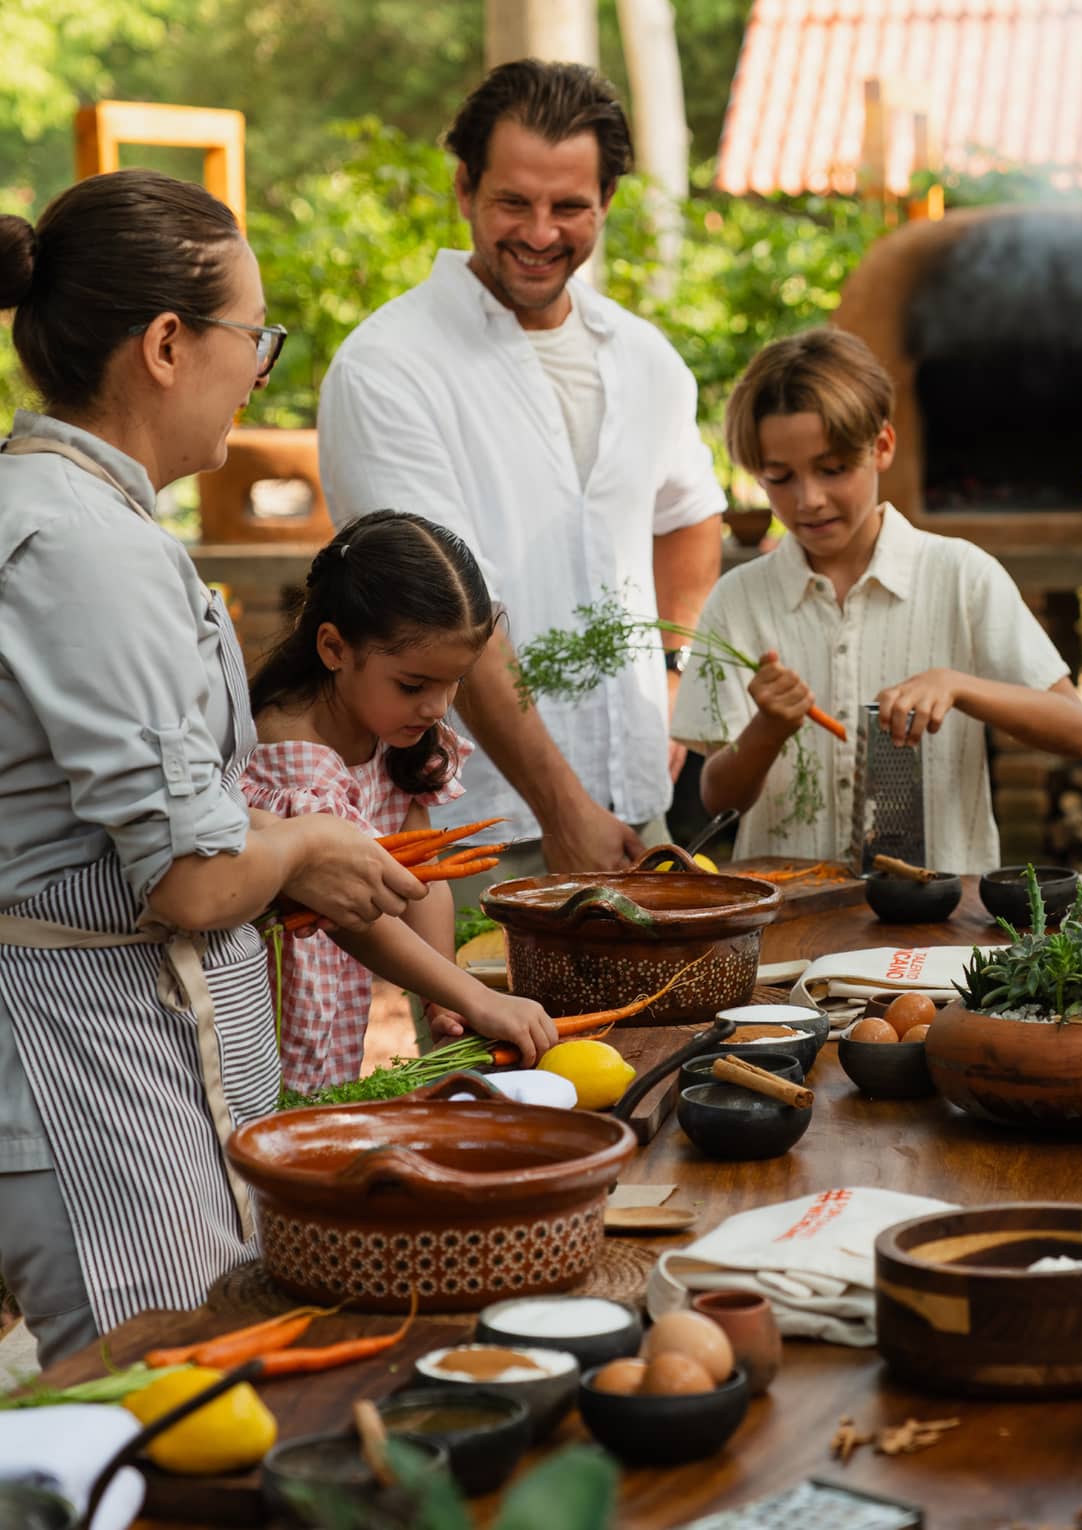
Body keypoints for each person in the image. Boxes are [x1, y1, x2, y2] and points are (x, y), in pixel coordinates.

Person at [0, 170, 428, 1366]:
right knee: (162, 1414)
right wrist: (306, 843)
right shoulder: (83, 546)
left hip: (122, 1064)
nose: (261, 367)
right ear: (169, 344)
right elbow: (192, 883)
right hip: (94, 1079)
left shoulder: (86, 518)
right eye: (257, 336)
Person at [319, 59, 724, 879]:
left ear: (606, 201)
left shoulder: (646, 359)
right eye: (514, 202)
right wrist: (561, 807)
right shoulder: (387, 367)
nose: (541, 233)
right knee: (504, 1011)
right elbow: (443, 616)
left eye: (569, 206)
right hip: (475, 825)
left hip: (638, 800)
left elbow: (687, 514)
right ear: (465, 188)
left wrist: (676, 682)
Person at [670, 329, 1082, 873]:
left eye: (832, 470)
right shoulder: (739, 600)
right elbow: (718, 799)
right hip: (792, 916)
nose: (809, 500)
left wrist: (959, 685)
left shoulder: (960, 575)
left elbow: (1076, 730)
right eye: (779, 478)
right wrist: (768, 728)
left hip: (940, 918)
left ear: (883, 446)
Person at [242, 511, 558, 1095]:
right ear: (334, 648)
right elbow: (352, 919)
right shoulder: (292, 752)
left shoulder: (394, 729)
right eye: (414, 685)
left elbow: (424, 876)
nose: (437, 707)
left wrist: (440, 993)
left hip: (337, 1006)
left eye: (454, 683)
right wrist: (477, 998)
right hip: (272, 1012)